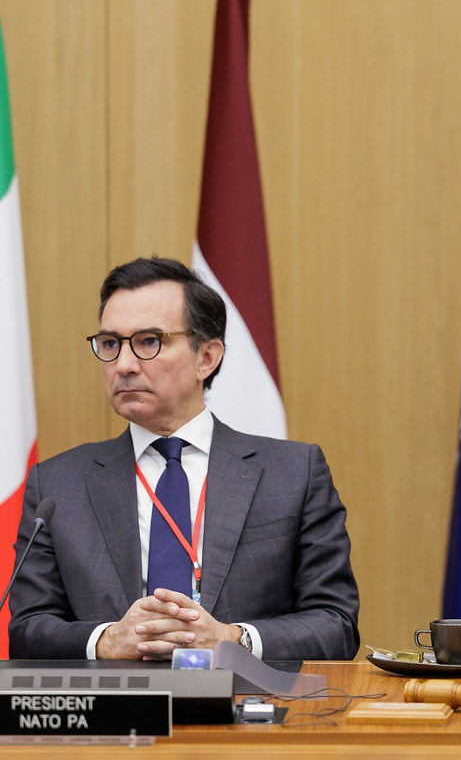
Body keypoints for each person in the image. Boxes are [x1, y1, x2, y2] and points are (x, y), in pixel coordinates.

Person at [9, 257, 359, 661]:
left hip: (250, 713)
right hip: (112, 717)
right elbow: (27, 629)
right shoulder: (57, 485)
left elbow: (336, 625)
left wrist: (232, 639)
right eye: (110, 344)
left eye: (148, 341)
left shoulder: (294, 475)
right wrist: (106, 640)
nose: (123, 366)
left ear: (206, 357)